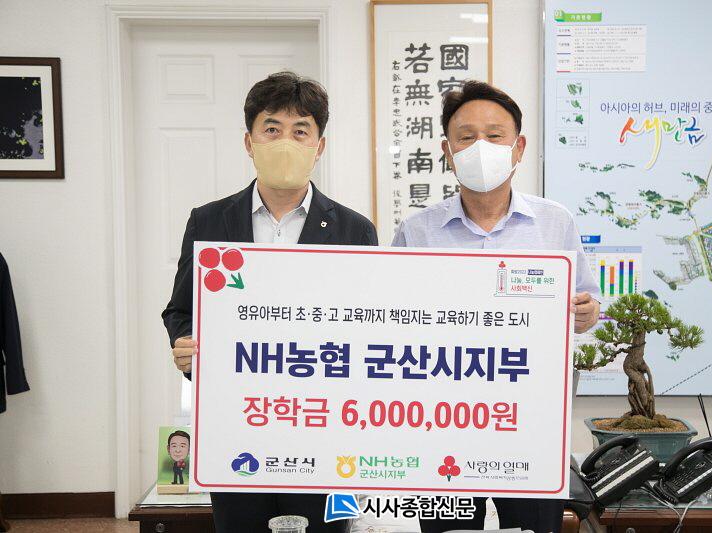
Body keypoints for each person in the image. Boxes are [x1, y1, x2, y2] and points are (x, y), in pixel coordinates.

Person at [162, 71, 377, 533]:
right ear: (249, 141)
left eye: (300, 131)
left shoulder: (355, 231)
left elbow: (370, 325)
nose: (285, 142)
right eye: (272, 129)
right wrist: (186, 344)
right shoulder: (209, 221)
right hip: (237, 422)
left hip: (324, 427)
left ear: (319, 145)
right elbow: (180, 309)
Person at [392, 80, 601, 533]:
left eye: (494, 135)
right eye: (466, 137)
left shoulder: (555, 222)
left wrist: (587, 312)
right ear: (447, 152)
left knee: (535, 528)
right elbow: (392, 319)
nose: (480, 148)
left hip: (530, 421)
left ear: (518, 147)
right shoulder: (417, 231)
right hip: (441, 422)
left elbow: (586, 304)